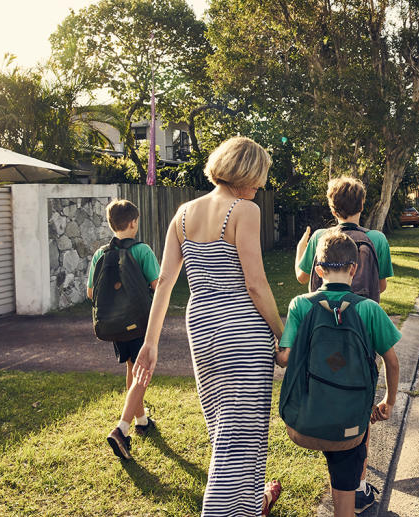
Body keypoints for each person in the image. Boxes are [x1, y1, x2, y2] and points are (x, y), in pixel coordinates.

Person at [132, 136, 285, 516]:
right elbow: (255, 283)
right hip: (241, 328)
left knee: (224, 426)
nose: (260, 186)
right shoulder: (244, 210)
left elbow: (165, 283)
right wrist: (285, 334)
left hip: (201, 327)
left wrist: (150, 343)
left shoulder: (182, 214)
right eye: (259, 177)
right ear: (244, 172)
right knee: (243, 431)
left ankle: (251, 505)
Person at [279, 229, 400, 517]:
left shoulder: (300, 305)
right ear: (354, 269)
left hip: (305, 421)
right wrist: (389, 402)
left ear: (318, 270)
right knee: (345, 472)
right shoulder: (369, 309)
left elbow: (284, 359)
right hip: (350, 423)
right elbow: (392, 362)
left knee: (330, 446)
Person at [86, 199, 160, 460]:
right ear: (134, 222)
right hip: (139, 323)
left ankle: (141, 420)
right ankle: (122, 429)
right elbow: (157, 285)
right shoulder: (142, 251)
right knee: (143, 370)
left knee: (131, 367)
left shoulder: (100, 254)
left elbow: (90, 292)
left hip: (115, 325)